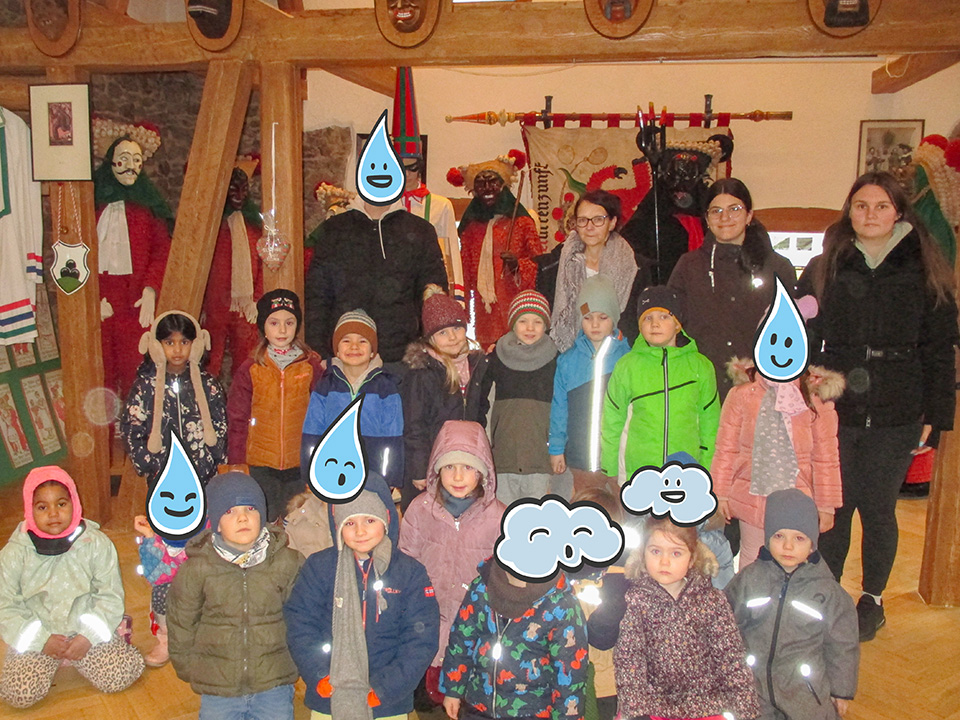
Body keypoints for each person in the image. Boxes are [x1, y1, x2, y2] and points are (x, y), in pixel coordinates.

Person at [799, 171, 958, 641]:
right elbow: (802, 333)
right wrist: (802, 388)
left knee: (878, 509)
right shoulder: (824, 266)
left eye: (881, 206)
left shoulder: (925, 268)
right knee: (835, 504)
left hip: (898, 407)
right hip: (836, 406)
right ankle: (827, 594)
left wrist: (936, 413)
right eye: (861, 205)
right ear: (849, 212)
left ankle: (872, 599)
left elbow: (940, 346)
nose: (870, 214)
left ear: (899, 213)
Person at [284, 474, 440, 719]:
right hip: (329, 695)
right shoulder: (319, 567)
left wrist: (386, 688)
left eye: (369, 520)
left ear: (386, 520)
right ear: (337, 526)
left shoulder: (410, 573)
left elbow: (420, 639)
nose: (360, 531)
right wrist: (319, 674)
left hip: (387, 702)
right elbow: (301, 625)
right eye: (349, 522)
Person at [587, 516, 760, 720]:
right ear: (643, 553)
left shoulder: (712, 601)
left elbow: (731, 659)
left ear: (692, 558)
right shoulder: (635, 601)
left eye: (676, 553)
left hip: (707, 707)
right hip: (654, 708)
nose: (664, 561)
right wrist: (636, 712)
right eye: (655, 551)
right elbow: (630, 662)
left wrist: (746, 711)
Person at [0, 467, 144, 709]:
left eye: (61, 504)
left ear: (74, 503)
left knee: (121, 674)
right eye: (42, 507)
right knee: (18, 694)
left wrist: (88, 636)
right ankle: (51, 658)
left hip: (84, 632)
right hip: (39, 636)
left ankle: (111, 634)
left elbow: (109, 596)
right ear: (29, 509)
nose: (53, 514)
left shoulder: (96, 544)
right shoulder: (14, 554)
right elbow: (5, 607)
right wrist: (41, 641)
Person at [167, 472, 302, 720]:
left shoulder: (287, 562)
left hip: (274, 681)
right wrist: (189, 667)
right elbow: (181, 621)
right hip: (218, 686)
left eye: (250, 508)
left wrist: (298, 660)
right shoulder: (197, 568)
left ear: (262, 515)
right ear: (217, 523)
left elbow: (302, 617)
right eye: (230, 511)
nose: (242, 517)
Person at [726, 489, 859, 720]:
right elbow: (725, 623)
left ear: (812, 543)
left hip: (805, 691)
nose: (788, 546)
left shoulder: (828, 592)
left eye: (799, 538)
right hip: (753, 684)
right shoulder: (749, 579)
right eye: (779, 536)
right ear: (767, 538)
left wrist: (841, 690)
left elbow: (843, 644)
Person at [398, 420, 505, 708]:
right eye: (449, 467)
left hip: (474, 637)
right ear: (437, 470)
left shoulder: (499, 518)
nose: (458, 476)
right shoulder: (420, 510)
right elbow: (405, 565)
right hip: (424, 629)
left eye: (468, 467)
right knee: (425, 703)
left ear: (483, 472)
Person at [668, 178, 797, 401]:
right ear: (706, 218)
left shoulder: (778, 267)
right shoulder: (689, 265)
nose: (724, 217)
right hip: (700, 388)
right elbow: (671, 324)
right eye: (716, 211)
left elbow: (790, 335)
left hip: (761, 389)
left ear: (749, 215)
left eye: (734, 209)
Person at [711, 357, 845, 567]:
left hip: (799, 501)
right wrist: (720, 493)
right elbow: (726, 448)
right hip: (753, 498)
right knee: (753, 560)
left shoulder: (816, 396)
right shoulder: (742, 394)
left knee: (797, 563)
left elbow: (826, 456)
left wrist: (827, 505)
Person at [304, 191, 447, 368]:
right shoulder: (333, 229)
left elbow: (433, 296)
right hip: (345, 358)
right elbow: (317, 296)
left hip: (403, 359)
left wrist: (432, 352)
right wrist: (319, 353)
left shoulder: (420, 230)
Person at [440, 559, 588, 720]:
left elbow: (570, 671)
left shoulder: (560, 603)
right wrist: (452, 690)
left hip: (533, 711)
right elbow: (461, 639)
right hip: (478, 703)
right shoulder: (482, 586)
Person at [601, 286, 719, 485]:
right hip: (637, 474)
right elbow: (612, 420)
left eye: (664, 317)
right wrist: (609, 467)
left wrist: (707, 469)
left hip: (686, 474)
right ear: (640, 325)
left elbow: (710, 423)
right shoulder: (627, 366)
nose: (655, 324)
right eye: (647, 318)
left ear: (678, 324)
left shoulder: (701, 366)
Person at [228, 290, 324, 521]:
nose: (282, 330)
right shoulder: (250, 368)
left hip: (300, 461)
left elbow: (322, 415)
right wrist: (237, 461)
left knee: (298, 520)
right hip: (260, 463)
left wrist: (318, 455)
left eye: (289, 323)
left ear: (297, 325)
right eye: (274, 323)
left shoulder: (310, 366)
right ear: (263, 326)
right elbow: (237, 417)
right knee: (265, 519)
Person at [94, 134, 173, 397]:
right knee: (100, 371)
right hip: (101, 300)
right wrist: (91, 296)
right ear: (111, 162)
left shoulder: (148, 208)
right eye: (124, 159)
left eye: (137, 160)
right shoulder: (92, 205)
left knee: (136, 370)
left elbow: (162, 252)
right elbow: (78, 252)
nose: (131, 166)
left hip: (136, 302)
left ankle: (136, 422)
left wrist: (151, 289)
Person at [401, 290, 490, 510]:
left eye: (457, 328)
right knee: (430, 515)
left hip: (466, 464)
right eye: (443, 332)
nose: (452, 337)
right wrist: (419, 469)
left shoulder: (477, 365)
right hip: (433, 463)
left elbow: (481, 413)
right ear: (430, 339)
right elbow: (414, 425)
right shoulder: (422, 373)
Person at [447, 150, 544, 347]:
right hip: (485, 311)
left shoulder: (522, 223)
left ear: (504, 185)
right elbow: (464, 269)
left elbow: (541, 265)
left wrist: (518, 266)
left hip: (517, 306)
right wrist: (461, 307)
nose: (487, 188)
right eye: (480, 184)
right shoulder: (471, 228)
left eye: (493, 182)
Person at [302, 309, 404, 491]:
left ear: (372, 351)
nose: (354, 347)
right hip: (332, 473)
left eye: (362, 341)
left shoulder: (386, 388)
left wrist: (388, 478)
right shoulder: (325, 386)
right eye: (346, 340)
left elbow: (392, 438)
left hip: (372, 475)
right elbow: (312, 433)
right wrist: (311, 473)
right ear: (337, 349)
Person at [482, 290, 568, 505]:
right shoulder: (495, 359)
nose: (530, 328)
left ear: (546, 325)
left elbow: (562, 408)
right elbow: (484, 405)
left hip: (539, 458)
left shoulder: (556, 361)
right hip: (503, 457)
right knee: (504, 517)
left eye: (537, 322)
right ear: (513, 323)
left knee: (537, 518)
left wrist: (558, 448)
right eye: (523, 321)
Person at [121, 311, 227, 485]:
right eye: (169, 343)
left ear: (196, 345)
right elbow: (131, 428)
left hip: (203, 477)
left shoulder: (208, 385)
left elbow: (221, 425)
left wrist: (212, 460)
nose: (177, 350)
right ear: (156, 346)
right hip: (161, 477)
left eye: (184, 342)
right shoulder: (145, 387)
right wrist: (149, 462)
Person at [550, 275, 631, 495]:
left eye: (603, 317)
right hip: (581, 460)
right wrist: (556, 448)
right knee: (586, 510)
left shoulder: (628, 360)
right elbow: (559, 409)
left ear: (614, 318)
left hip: (619, 461)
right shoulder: (567, 362)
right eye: (587, 318)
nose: (595, 324)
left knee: (622, 510)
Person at [550, 190, 638, 353]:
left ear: (612, 223)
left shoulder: (633, 266)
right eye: (583, 220)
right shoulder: (560, 261)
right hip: (571, 355)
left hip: (621, 353)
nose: (589, 227)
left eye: (598, 219)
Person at [201, 161, 263, 378]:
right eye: (233, 189)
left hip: (246, 306)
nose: (239, 195)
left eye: (243, 190)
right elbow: (202, 264)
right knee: (210, 358)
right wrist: (203, 303)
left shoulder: (254, 227)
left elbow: (263, 265)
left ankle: (243, 398)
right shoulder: (213, 227)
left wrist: (257, 299)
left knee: (246, 360)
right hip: (216, 303)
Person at [133, 513, 190, 668]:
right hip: (178, 587)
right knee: (162, 592)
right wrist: (150, 536)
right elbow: (157, 575)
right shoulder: (166, 530)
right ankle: (166, 639)